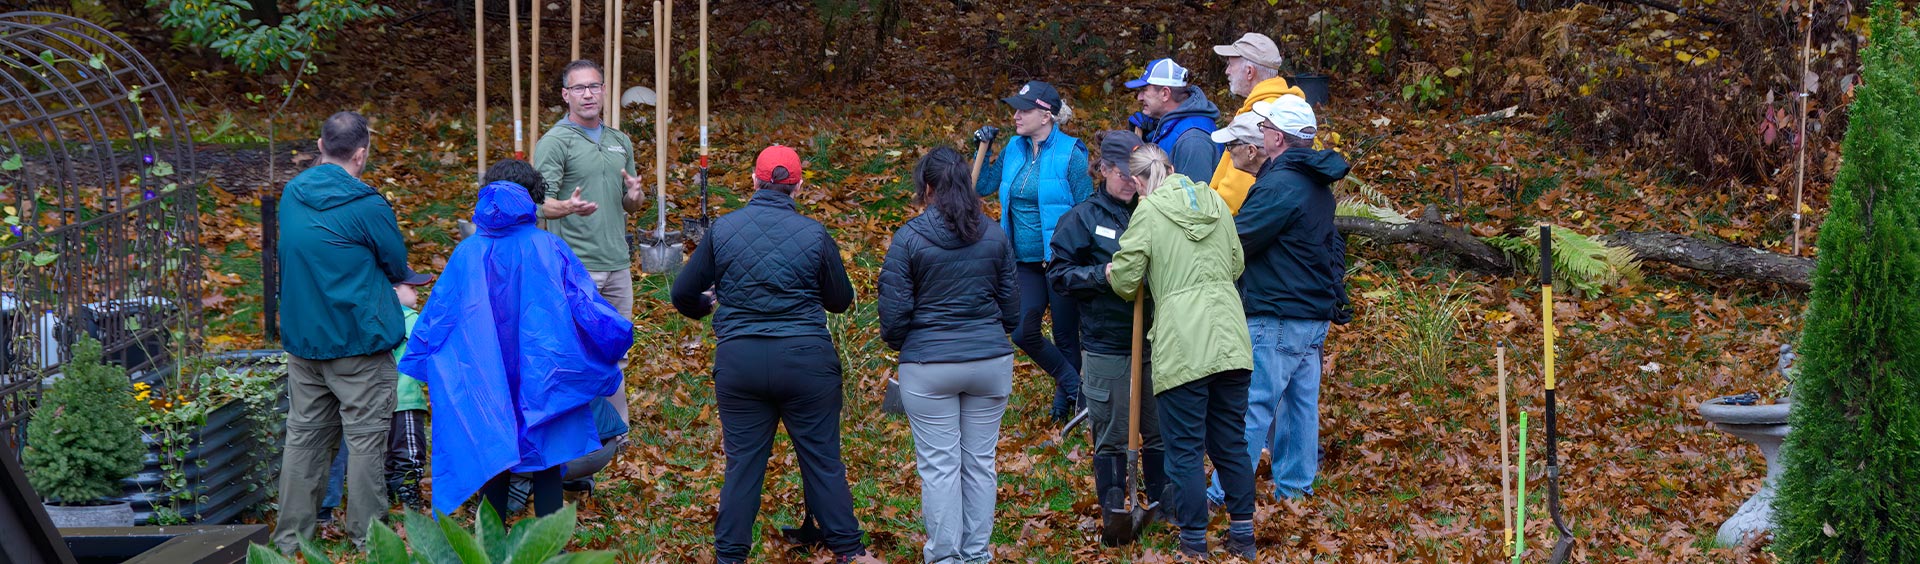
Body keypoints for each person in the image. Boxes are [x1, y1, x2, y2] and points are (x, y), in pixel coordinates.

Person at [398, 159, 635, 521]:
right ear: (533, 197)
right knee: (548, 460)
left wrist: (423, 360)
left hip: (485, 376)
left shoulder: (467, 252)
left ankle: (489, 548)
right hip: (546, 373)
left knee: (493, 457)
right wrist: (615, 338)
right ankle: (548, 552)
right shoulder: (548, 247)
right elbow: (587, 308)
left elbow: (439, 317)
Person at [669, 145, 873, 564]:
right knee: (821, 459)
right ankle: (850, 553)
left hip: (740, 361)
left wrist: (707, 306)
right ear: (797, 186)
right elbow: (840, 299)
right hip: (806, 362)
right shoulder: (814, 234)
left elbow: (682, 292)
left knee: (743, 463)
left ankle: (729, 556)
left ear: (754, 181)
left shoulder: (723, 231)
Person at [1107, 145, 1257, 559]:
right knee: (1230, 441)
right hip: (1230, 337)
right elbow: (1236, 262)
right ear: (1173, 168)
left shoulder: (1149, 211)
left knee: (1186, 447)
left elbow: (1125, 279)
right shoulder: (1215, 200)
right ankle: (1243, 535)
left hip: (1183, 342)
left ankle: (1193, 542)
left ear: (1138, 183)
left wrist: (1111, 270)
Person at [273, 111, 411, 551]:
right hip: (358, 344)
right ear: (361, 153)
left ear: (319, 145)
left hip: (305, 344)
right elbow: (394, 262)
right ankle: (370, 543)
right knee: (367, 441)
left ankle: (291, 542)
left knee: (304, 439)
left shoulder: (292, 195)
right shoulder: (367, 205)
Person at [1207, 95, 1352, 505]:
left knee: (1255, 406)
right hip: (1310, 314)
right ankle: (1295, 493)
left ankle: (1224, 494)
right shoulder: (1314, 181)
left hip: (1279, 314)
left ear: (1276, 137)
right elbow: (1332, 246)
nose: (1264, 131)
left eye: (1267, 126)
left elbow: (1239, 240)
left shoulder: (1281, 185)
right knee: (1300, 407)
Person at [878, 147, 1020, 563]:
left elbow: (894, 316)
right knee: (979, 464)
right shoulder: (994, 234)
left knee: (940, 467)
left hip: (929, 365)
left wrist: (910, 343)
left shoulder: (909, 238)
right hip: (989, 362)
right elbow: (1012, 309)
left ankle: (944, 557)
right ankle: (976, 555)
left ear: (927, 187)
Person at [1046, 130, 1168, 546]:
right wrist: (1102, 275)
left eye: (1138, 175)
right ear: (1104, 170)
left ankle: (1162, 506)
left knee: (1157, 429)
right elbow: (1059, 275)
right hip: (1107, 342)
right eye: (1123, 174)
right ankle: (1115, 511)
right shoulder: (1082, 218)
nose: (1132, 183)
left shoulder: (1155, 211)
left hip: (1156, 339)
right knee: (1113, 433)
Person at [531, 59, 647, 429]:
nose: (588, 94)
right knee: (577, 351)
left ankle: (615, 430)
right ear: (566, 95)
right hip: (576, 266)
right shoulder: (554, 142)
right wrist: (566, 206)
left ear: (604, 90)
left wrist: (635, 194)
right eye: (579, 88)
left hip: (618, 263)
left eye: (594, 86)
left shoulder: (619, 141)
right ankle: (576, 432)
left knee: (616, 350)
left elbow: (630, 206)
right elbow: (536, 203)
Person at [970, 80, 1092, 422]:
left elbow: (1086, 207)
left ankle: (1064, 406)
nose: (1016, 117)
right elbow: (981, 186)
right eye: (1015, 109)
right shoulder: (1014, 147)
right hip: (1023, 260)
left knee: (1067, 335)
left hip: (1062, 260)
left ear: (1046, 115)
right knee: (1024, 330)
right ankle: (1075, 386)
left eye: (1024, 110)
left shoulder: (1071, 154)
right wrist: (983, 146)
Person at [315, 271, 435, 521]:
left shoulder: (364, 318)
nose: (417, 292)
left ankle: (386, 500)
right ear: (393, 293)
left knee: (378, 455)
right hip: (405, 399)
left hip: (371, 402)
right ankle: (408, 503)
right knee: (409, 453)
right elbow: (429, 350)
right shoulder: (411, 319)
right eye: (411, 288)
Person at [1209, 32, 1308, 214]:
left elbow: (1234, 198)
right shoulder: (1282, 107)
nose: (1227, 71)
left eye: (1231, 65)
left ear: (1249, 72)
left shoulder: (1261, 117)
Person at [1125, 59, 1222, 183]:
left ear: (1165, 93)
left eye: (1144, 90)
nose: (1139, 97)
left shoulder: (1193, 140)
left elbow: (1193, 199)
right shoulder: (1169, 126)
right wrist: (1144, 140)